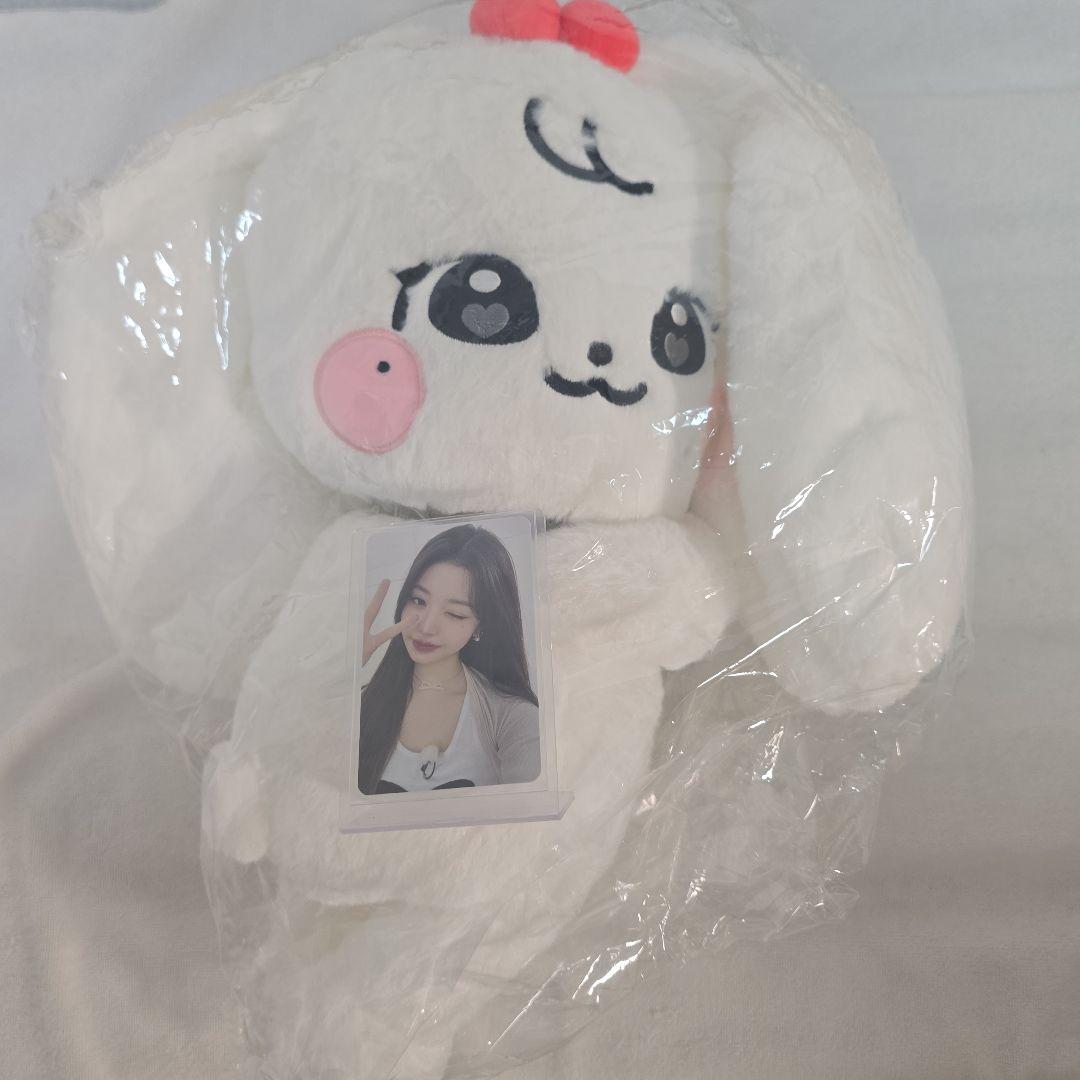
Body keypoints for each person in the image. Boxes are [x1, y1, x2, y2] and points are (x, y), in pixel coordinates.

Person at [358, 524, 541, 795]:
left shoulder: (511, 716)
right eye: (418, 600)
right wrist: (349, 670)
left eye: (455, 613)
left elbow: (529, 812)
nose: (426, 626)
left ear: (481, 625)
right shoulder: (362, 703)